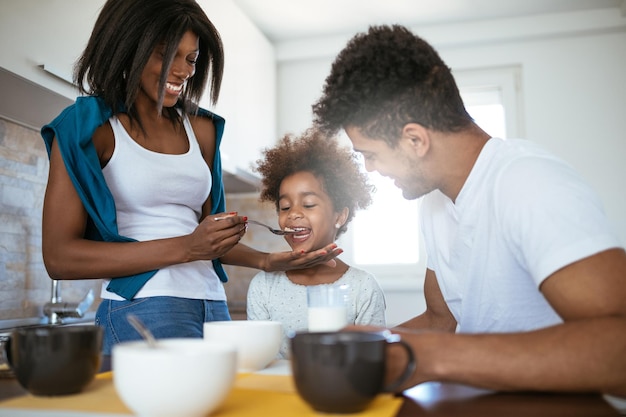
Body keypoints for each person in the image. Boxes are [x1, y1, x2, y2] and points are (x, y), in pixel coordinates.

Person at [311, 25, 626, 397]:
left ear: (415, 139)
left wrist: (426, 356)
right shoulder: (435, 201)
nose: (370, 169)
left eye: (371, 154)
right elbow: (441, 319)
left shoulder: (528, 182)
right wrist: (367, 344)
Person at [39, 0, 339, 355]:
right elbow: (59, 257)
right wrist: (188, 247)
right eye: (167, 55)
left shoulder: (202, 130)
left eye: (191, 59)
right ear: (127, 47)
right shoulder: (89, 128)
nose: (182, 71)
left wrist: (265, 260)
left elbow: (205, 237)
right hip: (143, 305)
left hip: (212, 301)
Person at [247, 129, 386, 358]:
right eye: (285, 207)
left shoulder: (363, 287)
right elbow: (262, 358)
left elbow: (369, 358)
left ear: (339, 216)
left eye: (309, 204)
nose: (293, 214)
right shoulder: (264, 286)